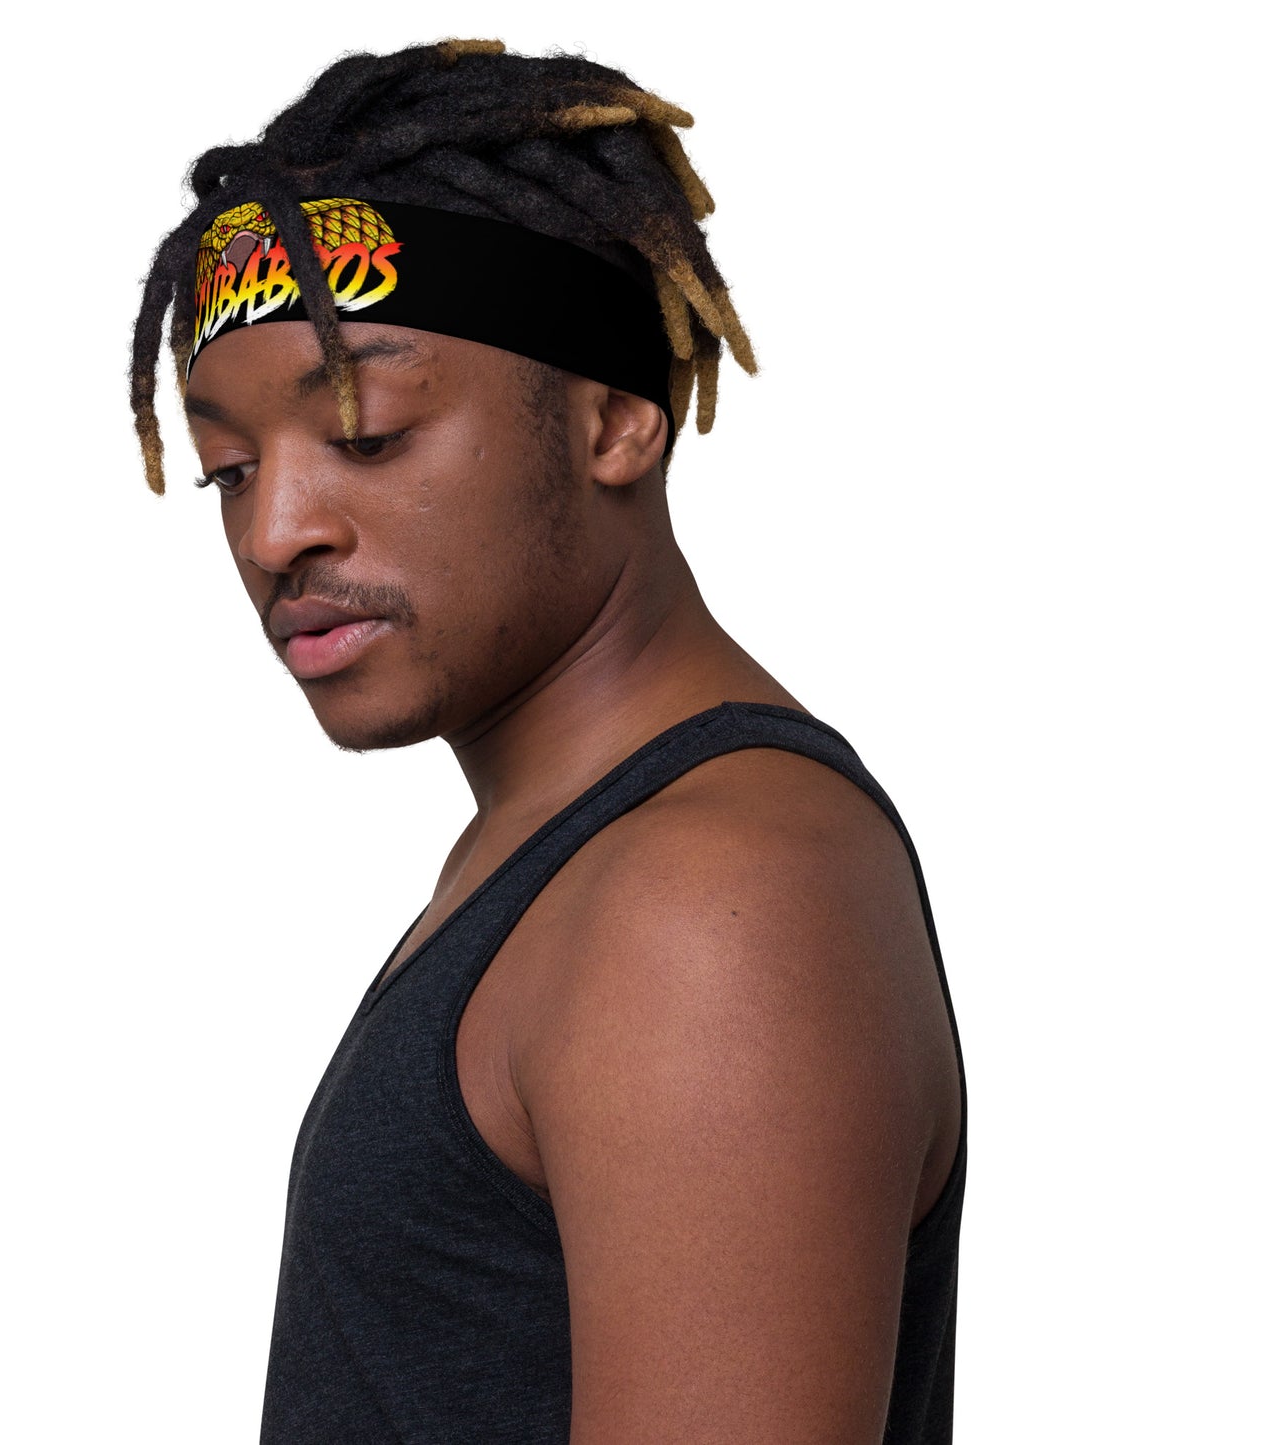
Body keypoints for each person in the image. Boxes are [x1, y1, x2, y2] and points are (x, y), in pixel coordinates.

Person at [131, 38, 966, 1444]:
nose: (274, 533)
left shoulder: (704, 902)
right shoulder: (561, 852)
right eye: (229, 469)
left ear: (616, 418)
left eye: (367, 434)